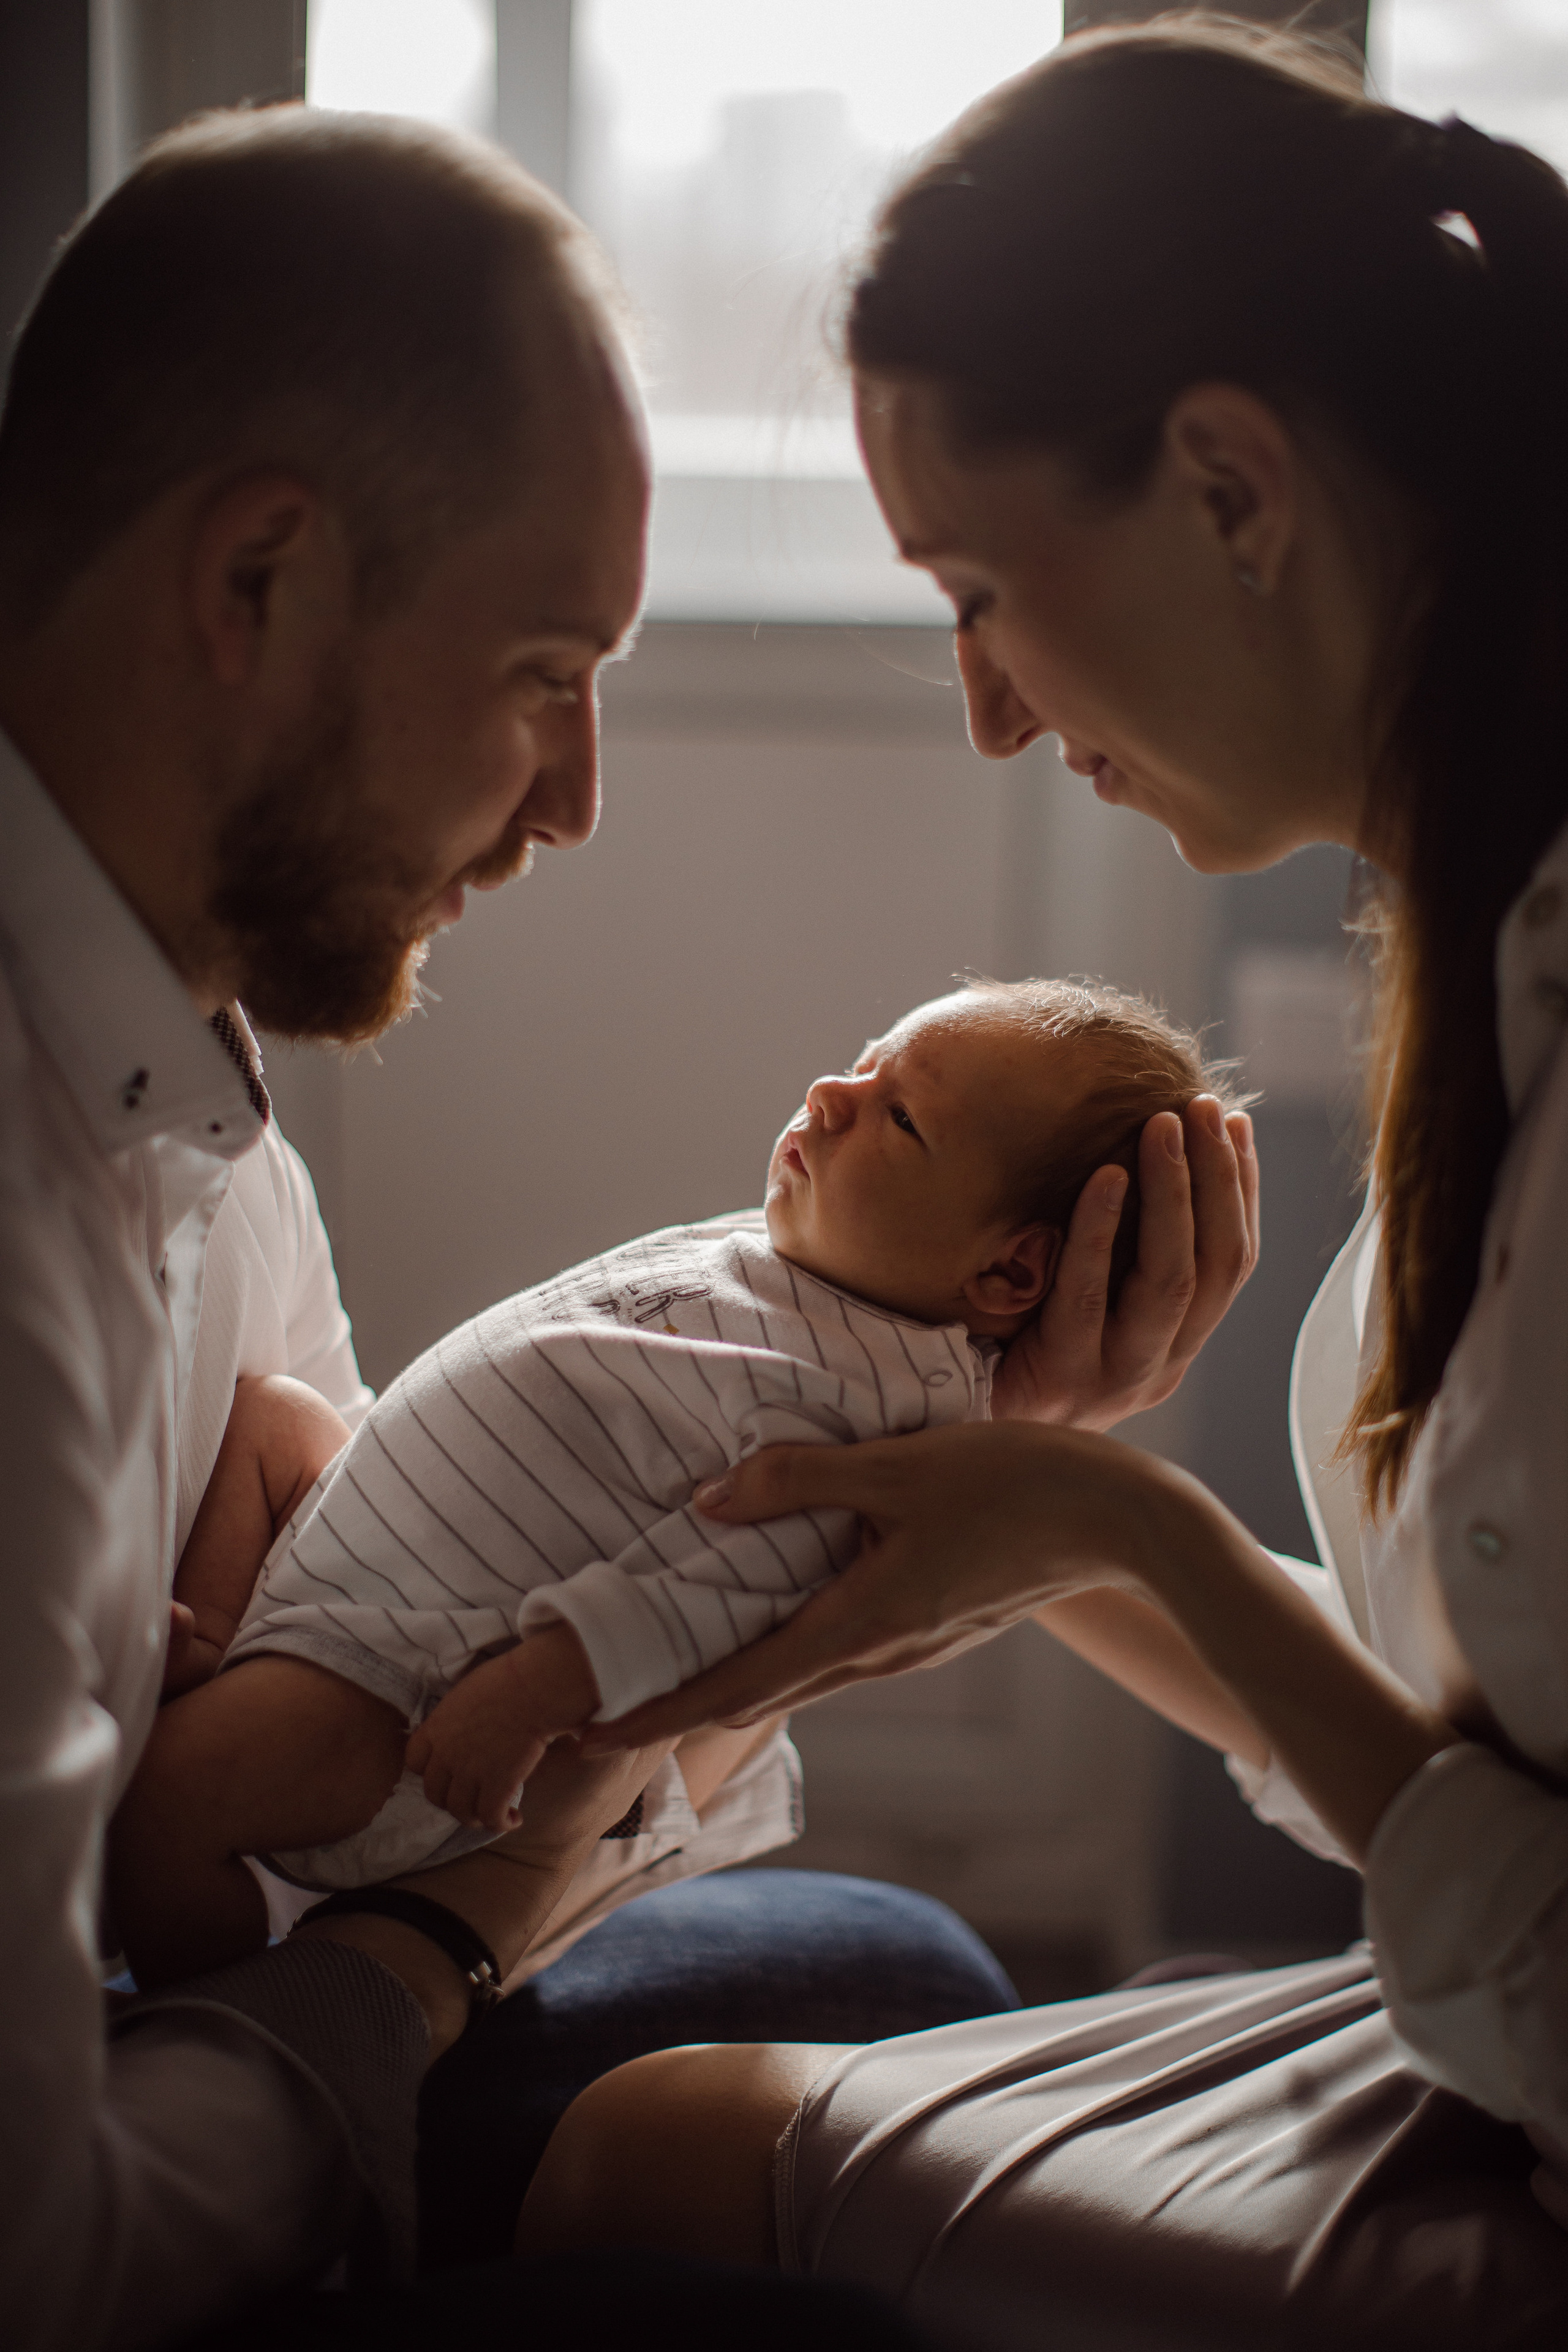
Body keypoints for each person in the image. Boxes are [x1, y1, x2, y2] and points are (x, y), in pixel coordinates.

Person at [513, 20, 1568, 2348]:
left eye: (980, 587)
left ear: (1229, 488)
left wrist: (1120, 1528)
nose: (984, 707)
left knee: (638, 2173)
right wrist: (1031, 1500)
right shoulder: (1490, 930)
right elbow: (1476, 1735)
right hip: (1491, 2036)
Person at [0, 106, 1042, 2350]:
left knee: (921, 1989)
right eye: (544, 677)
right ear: (255, 584)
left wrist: (916, 1467)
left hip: (213, 1947)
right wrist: (449, 1945)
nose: (572, 802)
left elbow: (403, 1574)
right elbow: (35, 2249)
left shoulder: (182, 1088)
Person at [110, 981, 1242, 1992]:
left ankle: (220, 2010)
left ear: (1008, 1270)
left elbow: (735, 1587)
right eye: (866, 1060)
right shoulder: (801, 1266)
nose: (831, 1095)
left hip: (408, 1683)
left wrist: (544, 1686)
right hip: (360, 1552)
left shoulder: (877, 1412)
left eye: (901, 1118)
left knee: (159, 1819)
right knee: (276, 1415)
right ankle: (221, 1648)